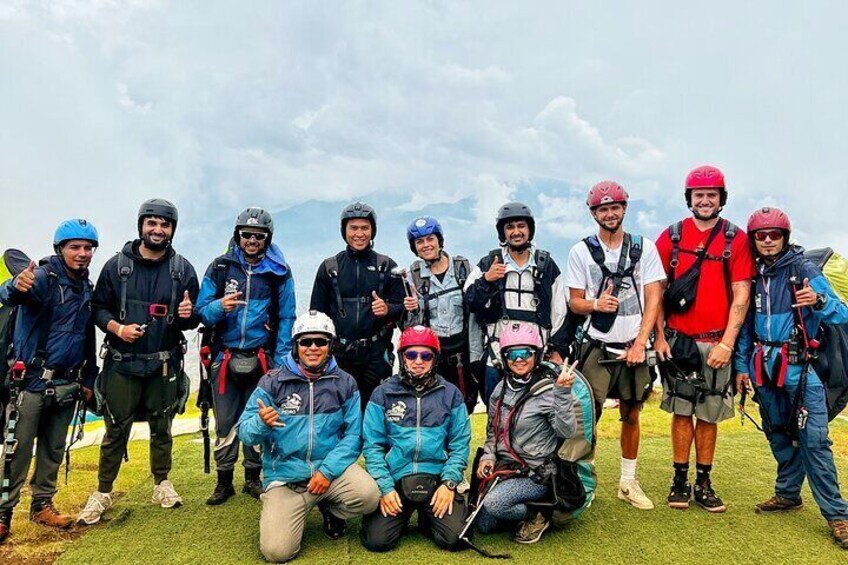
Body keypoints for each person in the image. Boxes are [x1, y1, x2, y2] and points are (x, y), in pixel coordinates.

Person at [77, 199, 201, 525]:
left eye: (165, 224)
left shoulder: (182, 270)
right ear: (141, 225)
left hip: (163, 365)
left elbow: (191, 319)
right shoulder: (117, 267)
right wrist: (117, 328)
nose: (158, 229)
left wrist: (189, 316)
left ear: (172, 229)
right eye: (152, 223)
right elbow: (97, 308)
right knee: (115, 429)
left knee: (163, 427)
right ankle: (103, 491)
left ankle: (162, 483)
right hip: (122, 364)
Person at [735, 207, 848, 548]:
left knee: (814, 440)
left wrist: (819, 299)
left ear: (785, 237)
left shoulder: (803, 269)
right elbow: (744, 330)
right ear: (753, 241)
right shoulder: (753, 275)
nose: (768, 241)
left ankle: (838, 515)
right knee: (778, 433)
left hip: (801, 368)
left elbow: (842, 313)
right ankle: (788, 494)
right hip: (764, 369)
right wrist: (741, 368)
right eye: (761, 235)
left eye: (774, 235)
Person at [237, 310, 380, 563]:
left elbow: (353, 435)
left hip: (330, 473)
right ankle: (294, 508)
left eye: (321, 341)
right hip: (286, 477)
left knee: (369, 497)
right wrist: (261, 423)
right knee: (276, 552)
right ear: (296, 345)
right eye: (306, 341)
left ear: (330, 345)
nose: (313, 347)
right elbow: (244, 433)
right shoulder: (272, 383)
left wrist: (326, 472)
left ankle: (329, 507)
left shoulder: (344, 383)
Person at [654, 166, 755, 512]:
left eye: (712, 194)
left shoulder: (735, 238)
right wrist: (659, 337)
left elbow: (741, 294)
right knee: (682, 412)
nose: (705, 200)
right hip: (678, 341)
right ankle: (679, 480)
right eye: (699, 195)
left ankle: (704, 482)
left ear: (721, 198)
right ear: (689, 199)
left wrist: (727, 344)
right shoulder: (672, 236)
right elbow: (656, 290)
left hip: (716, 342)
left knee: (709, 413)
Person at [564, 181, 665, 510]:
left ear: (624, 208)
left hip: (633, 345)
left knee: (631, 413)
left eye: (615, 207)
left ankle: (628, 481)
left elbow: (654, 297)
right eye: (602, 209)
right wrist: (595, 305)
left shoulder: (644, 248)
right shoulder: (580, 251)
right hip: (597, 344)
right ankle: (584, 478)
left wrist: (641, 343)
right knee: (587, 417)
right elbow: (575, 303)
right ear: (593, 213)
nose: (609, 213)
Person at [0, 220, 99, 543]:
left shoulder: (86, 288)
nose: (82, 254)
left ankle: (42, 505)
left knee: (53, 449)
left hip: (67, 383)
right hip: (30, 381)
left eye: (88, 248)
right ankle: (4, 513)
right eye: (75, 247)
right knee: (17, 450)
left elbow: (86, 335)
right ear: (61, 249)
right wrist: (16, 284)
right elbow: (10, 295)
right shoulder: (42, 278)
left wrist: (88, 377)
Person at [196, 207, 296, 505]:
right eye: (247, 235)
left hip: (262, 357)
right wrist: (219, 307)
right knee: (225, 420)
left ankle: (253, 477)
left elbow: (288, 317)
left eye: (259, 236)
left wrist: (280, 363)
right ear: (237, 235)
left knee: (258, 419)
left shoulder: (279, 273)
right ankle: (223, 481)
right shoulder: (220, 268)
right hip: (224, 357)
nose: (252, 240)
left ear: (268, 238)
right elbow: (202, 310)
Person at [360, 325, 471, 552]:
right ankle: (400, 514)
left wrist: (450, 483)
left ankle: (427, 519)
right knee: (377, 541)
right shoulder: (382, 394)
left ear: (434, 359)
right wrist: (384, 487)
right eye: (411, 354)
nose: (418, 361)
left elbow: (460, 444)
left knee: (456, 539)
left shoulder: (451, 394)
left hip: (437, 479)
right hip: (395, 480)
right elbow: (372, 447)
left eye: (426, 355)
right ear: (402, 357)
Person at [474, 321, 577, 544]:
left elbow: (567, 431)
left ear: (536, 355)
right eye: (512, 354)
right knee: (484, 525)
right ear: (504, 357)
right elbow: (493, 432)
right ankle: (513, 507)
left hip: (536, 474)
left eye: (525, 353)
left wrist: (562, 394)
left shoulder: (549, 390)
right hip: (507, 468)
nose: (519, 359)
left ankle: (540, 513)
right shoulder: (500, 390)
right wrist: (488, 456)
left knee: (495, 504)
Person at [464, 202, 569, 404]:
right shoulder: (489, 263)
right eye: (510, 227)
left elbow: (560, 313)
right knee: (496, 415)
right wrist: (486, 280)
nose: (516, 232)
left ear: (530, 229)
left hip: (537, 358)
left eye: (521, 226)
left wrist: (557, 351)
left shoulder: (546, 266)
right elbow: (470, 303)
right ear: (502, 233)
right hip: (497, 357)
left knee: (537, 416)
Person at [309, 202, 405, 409]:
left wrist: (388, 309)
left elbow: (404, 308)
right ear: (344, 231)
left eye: (365, 228)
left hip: (376, 354)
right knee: (338, 410)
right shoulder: (329, 268)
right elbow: (316, 315)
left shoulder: (387, 267)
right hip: (339, 354)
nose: (359, 234)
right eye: (353, 228)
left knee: (376, 411)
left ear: (373, 231)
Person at [402, 216, 483, 412]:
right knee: (433, 407)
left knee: (465, 406)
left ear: (440, 241)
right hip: (434, 356)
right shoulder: (413, 277)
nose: (426, 245)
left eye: (430, 239)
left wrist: (476, 358)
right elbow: (409, 328)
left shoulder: (462, 269)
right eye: (419, 242)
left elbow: (476, 310)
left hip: (463, 354)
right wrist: (411, 309)